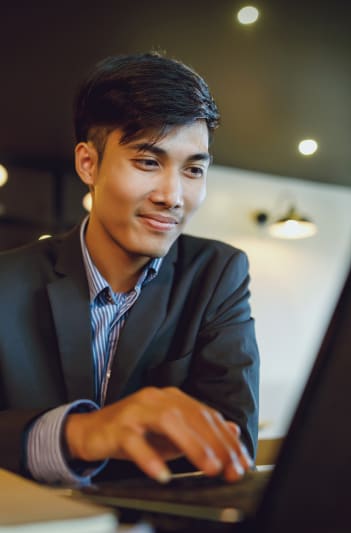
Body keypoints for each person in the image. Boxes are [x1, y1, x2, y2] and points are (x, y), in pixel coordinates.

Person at [0, 52, 259, 486]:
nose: (172, 196)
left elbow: (232, 447)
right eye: (148, 162)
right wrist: (79, 433)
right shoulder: (7, 282)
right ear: (89, 163)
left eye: (193, 169)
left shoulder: (218, 274)